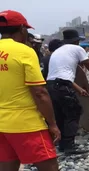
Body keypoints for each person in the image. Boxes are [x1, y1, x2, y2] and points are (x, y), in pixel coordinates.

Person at [0, 10, 61, 171]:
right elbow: (39, 93)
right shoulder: (24, 51)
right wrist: (52, 124)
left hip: (1, 124)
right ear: (21, 29)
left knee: (7, 166)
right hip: (26, 123)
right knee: (49, 166)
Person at [46, 29, 89, 155]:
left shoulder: (58, 51)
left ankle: (62, 144)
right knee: (73, 112)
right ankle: (69, 146)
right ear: (76, 40)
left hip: (51, 85)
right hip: (62, 84)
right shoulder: (77, 49)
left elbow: (61, 74)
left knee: (60, 113)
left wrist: (79, 89)